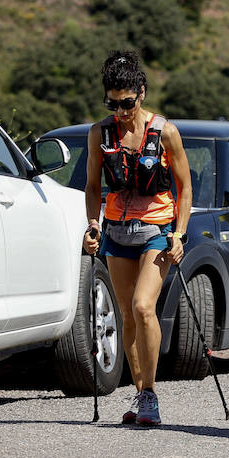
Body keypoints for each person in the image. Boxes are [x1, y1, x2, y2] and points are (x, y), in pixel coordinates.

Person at [83, 50, 192, 428]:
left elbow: (185, 187)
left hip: (156, 232)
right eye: (112, 104)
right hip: (116, 231)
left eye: (127, 103)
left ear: (141, 93)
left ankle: (151, 394)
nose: (120, 111)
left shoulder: (165, 132)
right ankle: (141, 390)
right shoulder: (100, 133)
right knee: (127, 314)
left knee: (145, 307)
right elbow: (93, 186)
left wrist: (179, 233)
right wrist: (92, 225)